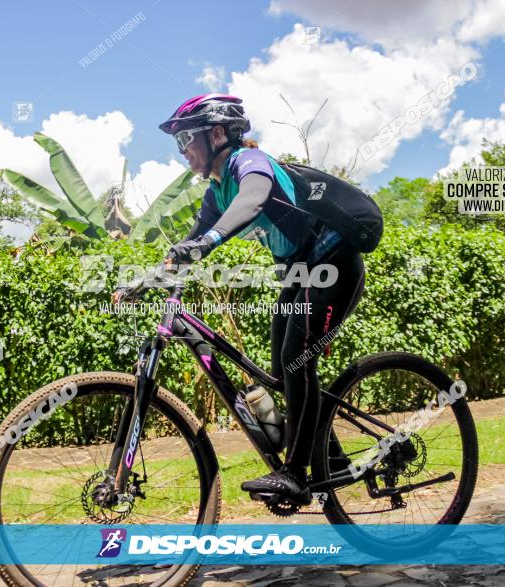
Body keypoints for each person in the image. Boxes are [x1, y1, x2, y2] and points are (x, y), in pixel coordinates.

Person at [158, 94, 368, 505]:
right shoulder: (216, 192)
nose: (182, 151)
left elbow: (252, 200)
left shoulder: (249, 163)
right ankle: (334, 463)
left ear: (217, 134)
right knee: (283, 371)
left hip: (335, 263)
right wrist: (148, 276)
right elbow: (186, 244)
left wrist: (211, 241)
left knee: (295, 357)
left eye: (185, 140)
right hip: (301, 274)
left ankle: (294, 473)